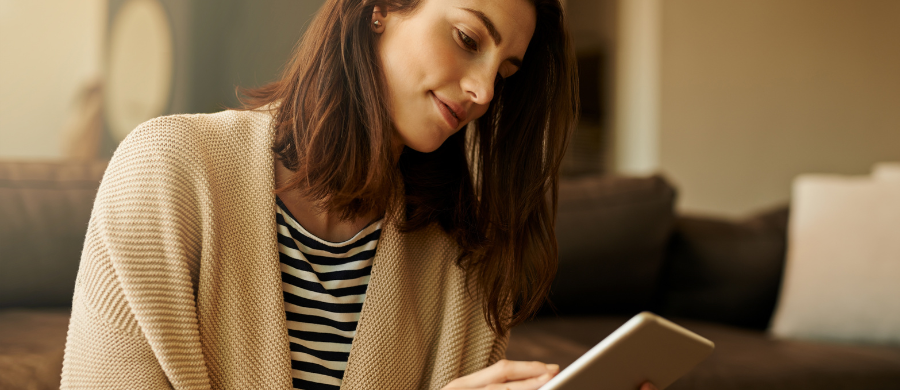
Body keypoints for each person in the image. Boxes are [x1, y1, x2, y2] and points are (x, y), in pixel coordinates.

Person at [61, 0, 657, 389]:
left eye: (504, 73)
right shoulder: (168, 173)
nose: (482, 93)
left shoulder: (465, 257)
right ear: (380, 9)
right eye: (467, 37)